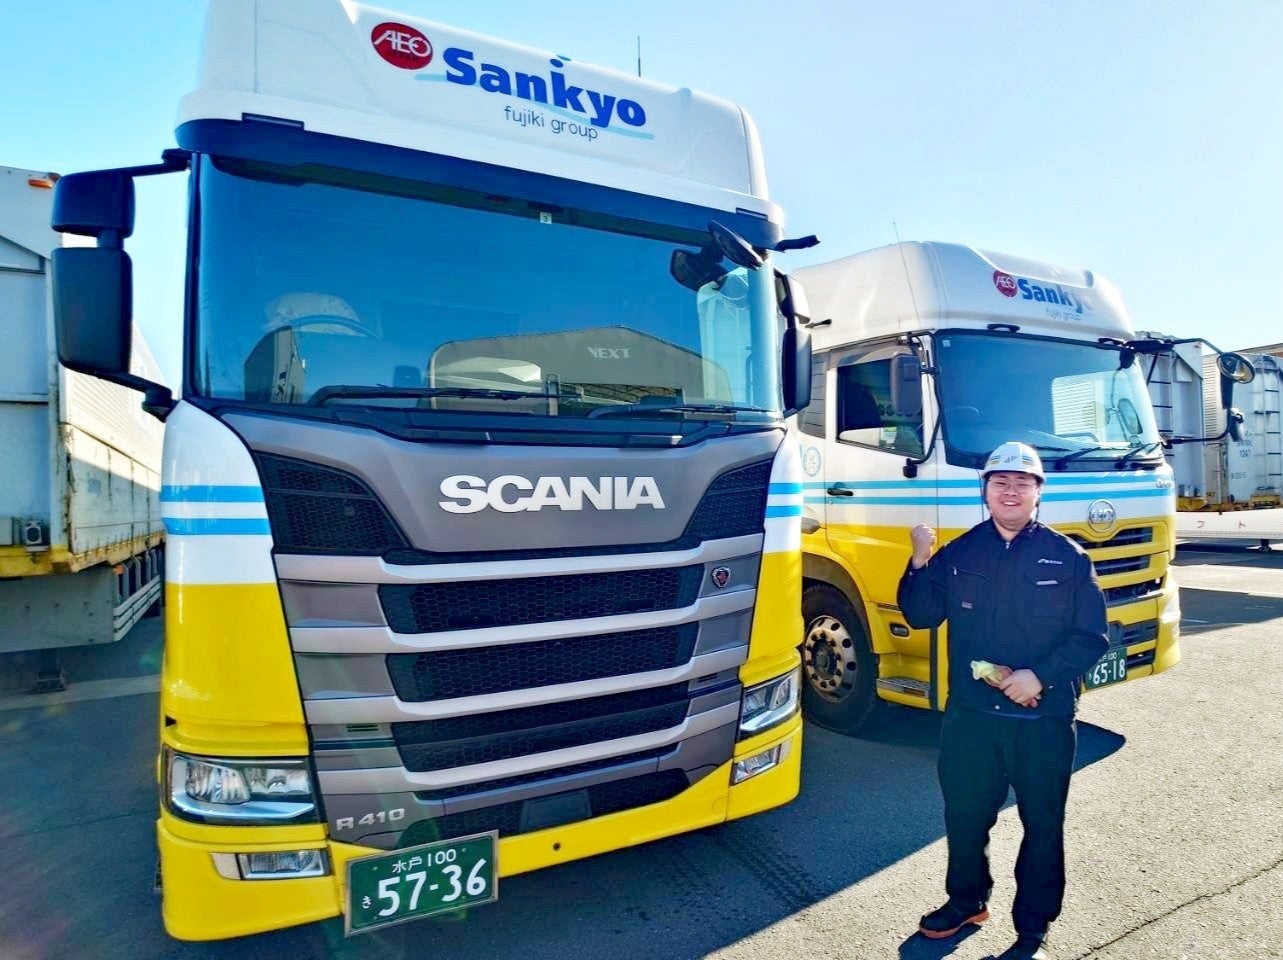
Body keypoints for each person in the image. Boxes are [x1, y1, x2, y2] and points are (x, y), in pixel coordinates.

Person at [897, 441, 1109, 960]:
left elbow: (1092, 637)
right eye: (1000, 482)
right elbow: (921, 615)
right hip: (972, 717)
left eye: (1022, 483)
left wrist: (1041, 677)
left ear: (1038, 493)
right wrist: (919, 561)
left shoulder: (1068, 557)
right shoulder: (961, 552)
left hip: (1043, 719)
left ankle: (1032, 930)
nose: (1010, 491)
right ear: (986, 491)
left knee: (1043, 825)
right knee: (965, 815)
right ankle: (966, 902)